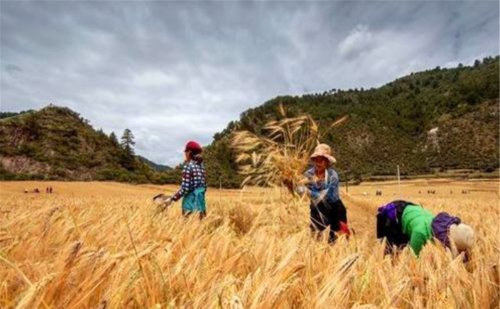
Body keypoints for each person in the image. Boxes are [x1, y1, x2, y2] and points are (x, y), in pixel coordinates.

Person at [377, 200, 474, 260]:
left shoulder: (439, 226)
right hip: (395, 215)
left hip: (413, 211)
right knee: (391, 253)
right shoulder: (420, 233)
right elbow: (413, 260)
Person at [295, 143, 349, 243]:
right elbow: (299, 190)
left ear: (328, 162)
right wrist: (294, 185)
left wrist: (307, 191)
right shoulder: (308, 174)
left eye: (322, 159)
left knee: (337, 239)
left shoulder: (333, 176)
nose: (319, 162)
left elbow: (327, 197)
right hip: (317, 210)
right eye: (317, 159)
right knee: (316, 239)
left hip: (335, 209)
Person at [163, 141, 207, 218]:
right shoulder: (202, 167)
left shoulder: (188, 166)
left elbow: (185, 189)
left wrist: (172, 199)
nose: (185, 154)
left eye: (185, 152)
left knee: (189, 228)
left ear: (189, 152)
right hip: (201, 205)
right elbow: (204, 187)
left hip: (189, 206)